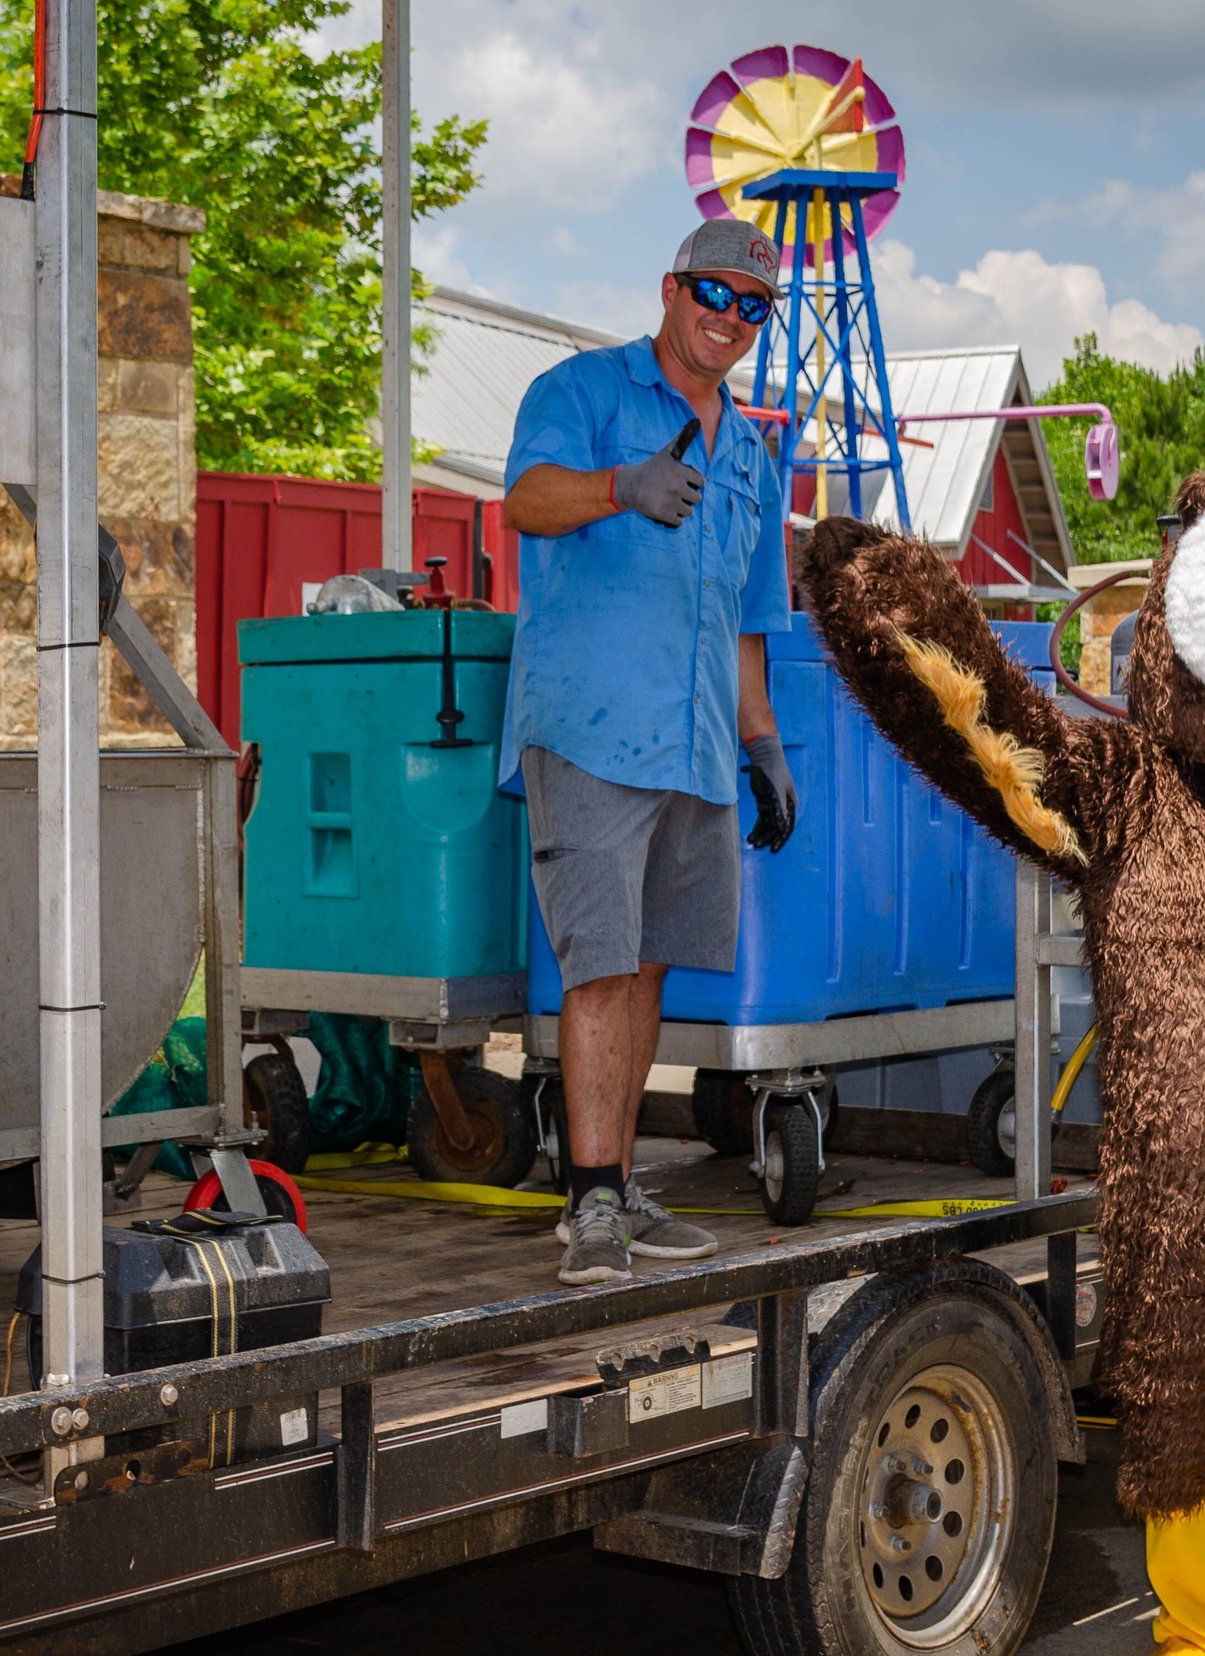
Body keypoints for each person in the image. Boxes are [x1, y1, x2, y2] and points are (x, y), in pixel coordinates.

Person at [501, 220, 801, 1286]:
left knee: (649, 967)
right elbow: (526, 502)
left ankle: (619, 1186)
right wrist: (619, 487)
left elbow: (752, 614)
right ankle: (585, 1208)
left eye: (751, 305)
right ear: (672, 287)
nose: (728, 316)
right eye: (713, 292)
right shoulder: (585, 391)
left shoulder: (755, 453)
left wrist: (761, 745)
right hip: (588, 731)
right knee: (599, 965)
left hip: (696, 746)